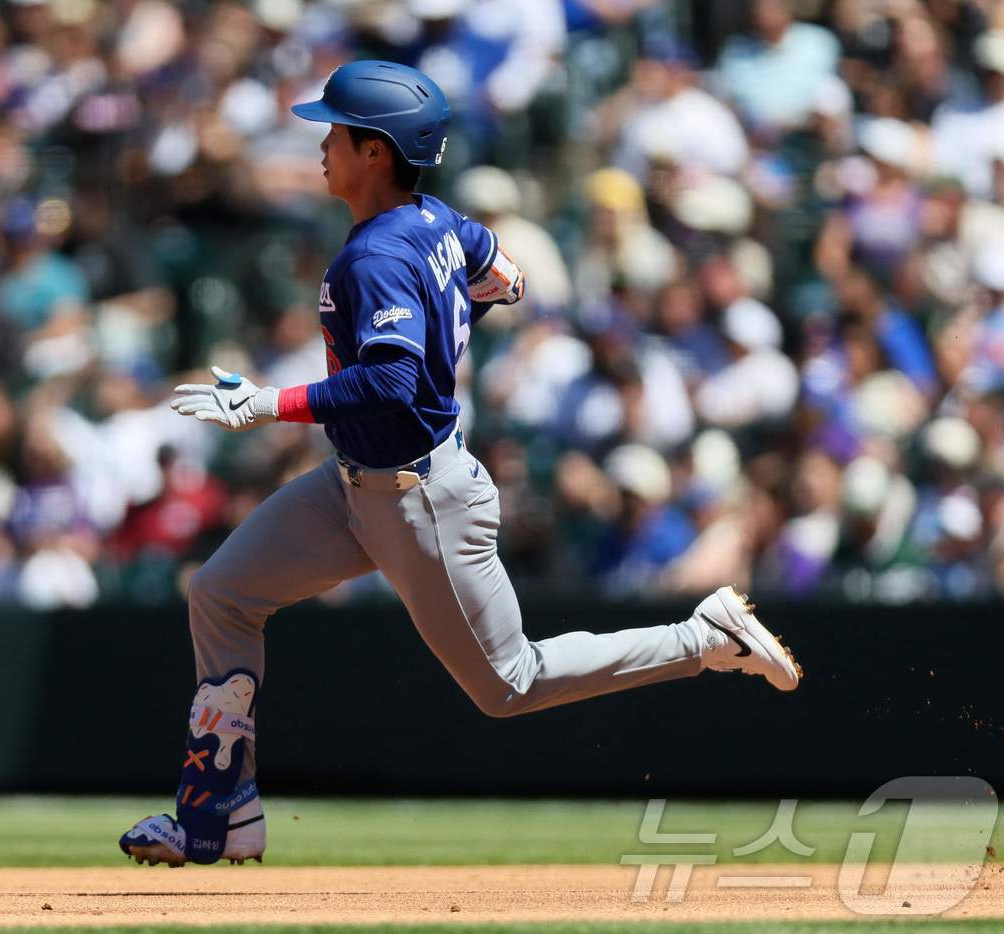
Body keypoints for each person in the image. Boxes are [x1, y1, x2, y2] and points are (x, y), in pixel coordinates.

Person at [119, 61, 803, 869]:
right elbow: (501, 271)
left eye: (336, 132)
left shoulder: (374, 255)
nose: (323, 145)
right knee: (222, 594)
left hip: (420, 499)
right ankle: (220, 813)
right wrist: (478, 296)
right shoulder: (434, 219)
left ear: (376, 152)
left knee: (510, 684)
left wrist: (269, 404)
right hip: (357, 486)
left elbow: (392, 379)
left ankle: (703, 637)